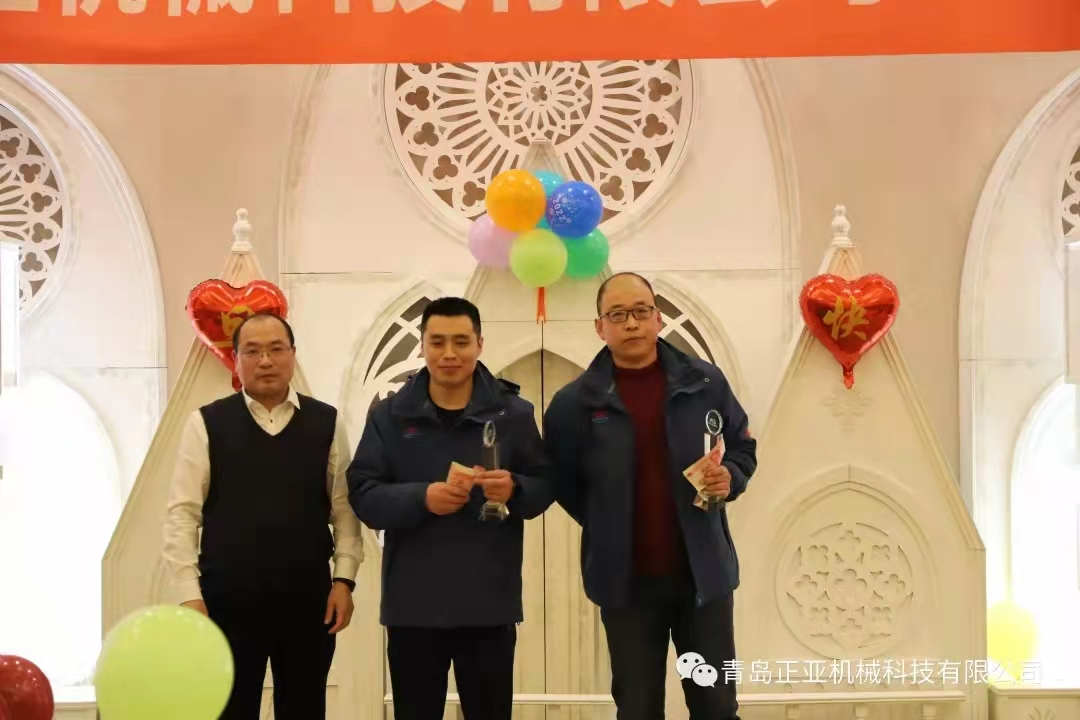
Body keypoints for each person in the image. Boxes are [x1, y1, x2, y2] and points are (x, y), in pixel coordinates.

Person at [543, 272, 757, 720]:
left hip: (703, 577)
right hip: (626, 585)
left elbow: (742, 446)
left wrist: (731, 477)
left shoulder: (705, 382)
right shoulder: (574, 403)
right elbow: (562, 482)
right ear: (600, 327)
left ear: (658, 319)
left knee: (717, 706)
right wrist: (608, 520)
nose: (631, 323)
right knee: (637, 709)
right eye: (618, 314)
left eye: (641, 311)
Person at [347, 296, 552, 720]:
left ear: (480, 344)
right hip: (413, 607)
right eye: (437, 342)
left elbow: (546, 484)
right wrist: (421, 498)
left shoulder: (513, 414)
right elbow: (363, 493)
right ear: (422, 346)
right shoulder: (390, 415)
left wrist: (514, 488)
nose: (449, 354)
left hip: (489, 605)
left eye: (461, 341)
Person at [161, 312, 364, 720]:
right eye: (252, 351)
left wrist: (344, 580)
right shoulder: (206, 423)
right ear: (236, 360)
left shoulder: (326, 422)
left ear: (293, 354)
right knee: (229, 710)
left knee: (304, 709)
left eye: (276, 349)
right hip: (226, 601)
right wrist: (190, 595)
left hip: (308, 602)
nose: (266, 360)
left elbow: (344, 511)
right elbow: (182, 515)